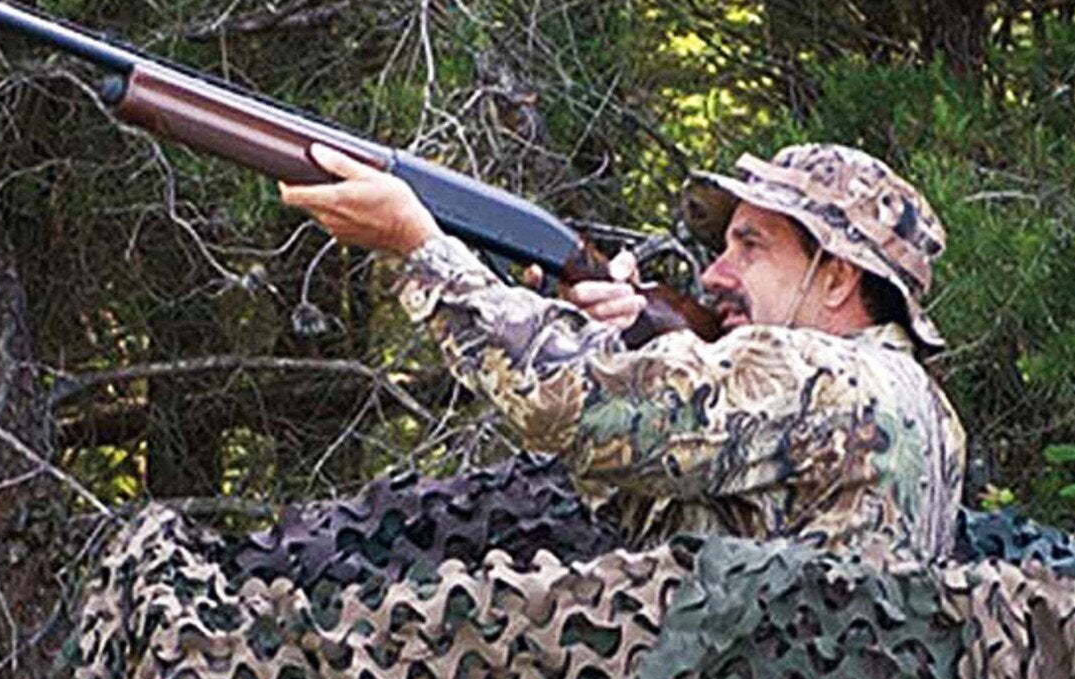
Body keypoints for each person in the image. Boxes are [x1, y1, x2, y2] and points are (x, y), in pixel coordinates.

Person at [280, 140, 968, 563]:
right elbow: (684, 519)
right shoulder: (919, 404)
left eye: (751, 246)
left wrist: (420, 247)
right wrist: (629, 339)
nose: (713, 274)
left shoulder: (827, 378)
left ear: (839, 275)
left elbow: (568, 400)